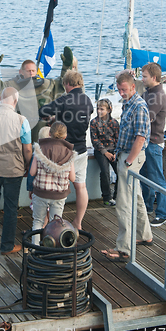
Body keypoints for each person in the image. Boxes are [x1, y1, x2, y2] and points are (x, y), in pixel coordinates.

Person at [101, 71, 152, 262]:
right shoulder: (128, 103)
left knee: (123, 201)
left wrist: (128, 161)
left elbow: (140, 138)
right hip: (125, 154)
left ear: (132, 87)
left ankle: (124, 248)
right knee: (136, 196)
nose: (121, 93)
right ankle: (145, 234)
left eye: (124, 89)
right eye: (119, 89)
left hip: (131, 158)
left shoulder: (139, 107)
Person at [0, 87, 32, 254]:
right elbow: (28, 150)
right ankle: (7, 245)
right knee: (10, 207)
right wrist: (26, 165)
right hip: (13, 170)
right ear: (15, 101)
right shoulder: (22, 120)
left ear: (0, 99)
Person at [39, 70, 94, 230]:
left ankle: (53, 224)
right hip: (81, 149)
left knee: (57, 187)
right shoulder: (87, 100)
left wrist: (57, 117)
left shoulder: (63, 99)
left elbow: (42, 112)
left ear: (67, 84)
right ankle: (78, 222)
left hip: (63, 151)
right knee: (81, 186)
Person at [0, 46, 74, 141]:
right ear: (21, 72)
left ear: (36, 71)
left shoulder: (48, 84)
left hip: (43, 131)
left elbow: (62, 84)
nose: (31, 73)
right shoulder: (12, 85)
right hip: (21, 130)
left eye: (33, 71)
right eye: (28, 71)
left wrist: (66, 67)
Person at [29, 121, 76, 244]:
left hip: (40, 192)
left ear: (49, 133)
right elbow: (73, 178)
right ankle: (51, 250)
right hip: (59, 194)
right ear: (65, 136)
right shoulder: (69, 153)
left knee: (38, 221)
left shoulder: (39, 149)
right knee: (55, 224)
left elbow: (32, 172)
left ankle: (35, 249)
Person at [140, 63, 166, 227]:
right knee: (144, 177)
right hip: (145, 142)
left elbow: (146, 119)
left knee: (157, 179)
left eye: (144, 76)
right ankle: (148, 206)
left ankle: (162, 213)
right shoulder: (148, 92)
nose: (142, 79)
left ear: (154, 78)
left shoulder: (157, 96)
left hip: (153, 142)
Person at [90, 99, 119, 206]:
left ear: (108, 110)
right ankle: (107, 197)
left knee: (120, 171)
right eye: (98, 109)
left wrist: (116, 152)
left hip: (113, 150)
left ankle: (117, 196)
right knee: (105, 172)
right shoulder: (94, 122)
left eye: (102, 109)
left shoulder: (115, 123)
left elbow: (118, 139)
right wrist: (105, 153)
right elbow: (95, 140)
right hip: (101, 151)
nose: (99, 111)